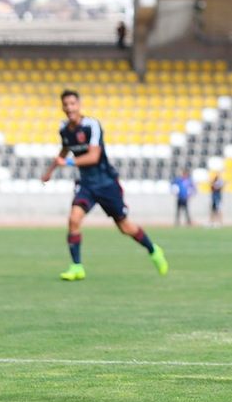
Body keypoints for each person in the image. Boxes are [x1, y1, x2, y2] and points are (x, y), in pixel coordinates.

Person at [40, 89, 168, 280]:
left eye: (72, 104)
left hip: (106, 183)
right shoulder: (64, 129)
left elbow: (94, 156)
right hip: (86, 184)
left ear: (79, 105)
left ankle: (153, 250)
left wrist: (67, 162)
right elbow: (65, 149)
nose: (69, 108)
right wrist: (49, 171)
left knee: (125, 227)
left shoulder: (92, 125)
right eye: (66, 105)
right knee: (74, 219)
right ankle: (77, 267)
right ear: (62, 107)